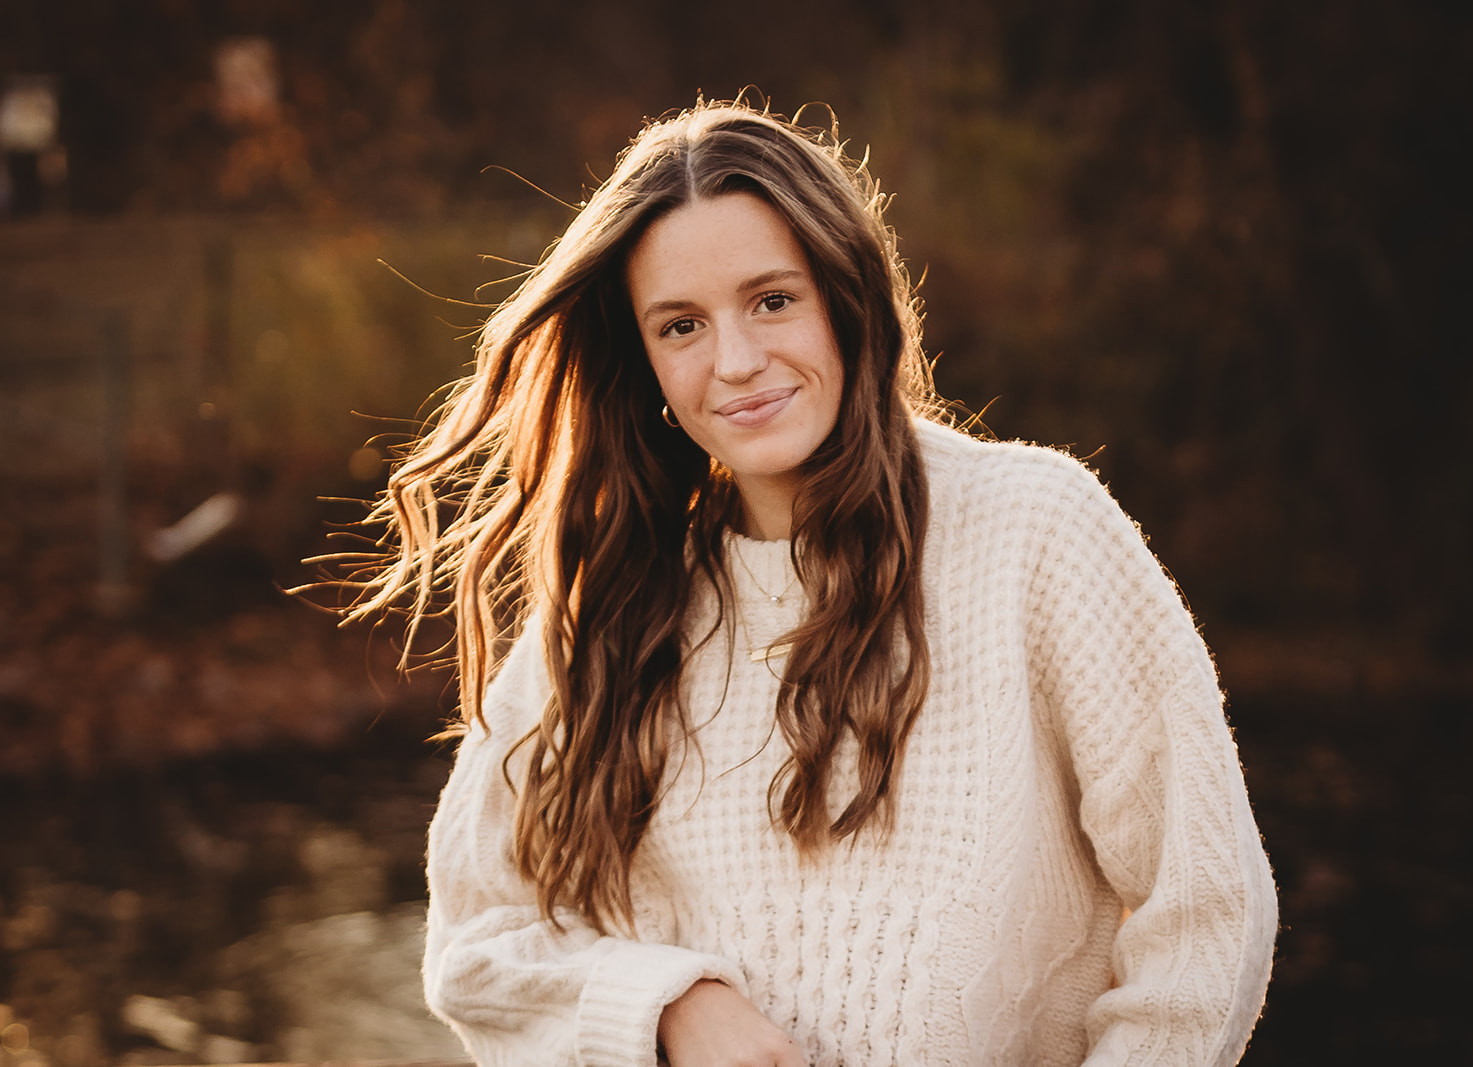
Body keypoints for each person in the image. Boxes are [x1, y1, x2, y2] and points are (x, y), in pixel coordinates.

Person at [345, 99, 1278, 1066]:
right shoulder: (615, 604)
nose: (737, 362)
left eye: (772, 299)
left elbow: (1205, 906)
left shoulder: (1035, 531)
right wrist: (665, 1007)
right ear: (644, 362)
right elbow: (476, 944)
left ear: (846, 294)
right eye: (681, 326)